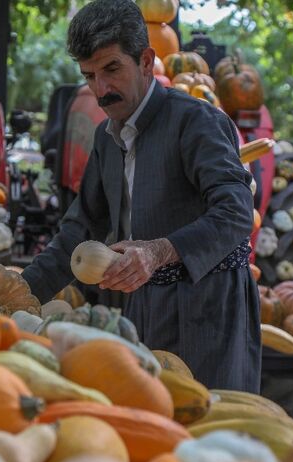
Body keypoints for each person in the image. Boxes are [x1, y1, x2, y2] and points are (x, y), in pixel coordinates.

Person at [21, 0, 261, 392]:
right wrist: (14, 294)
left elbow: (236, 213)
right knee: (152, 424)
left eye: (112, 69)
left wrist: (157, 252)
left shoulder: (197, 121)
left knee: (207, 433)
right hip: (145, 306)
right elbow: (77, 233)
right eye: (89, 76)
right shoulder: (106, 137)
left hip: (209, 310)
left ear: (147, 61)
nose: (101, 90)